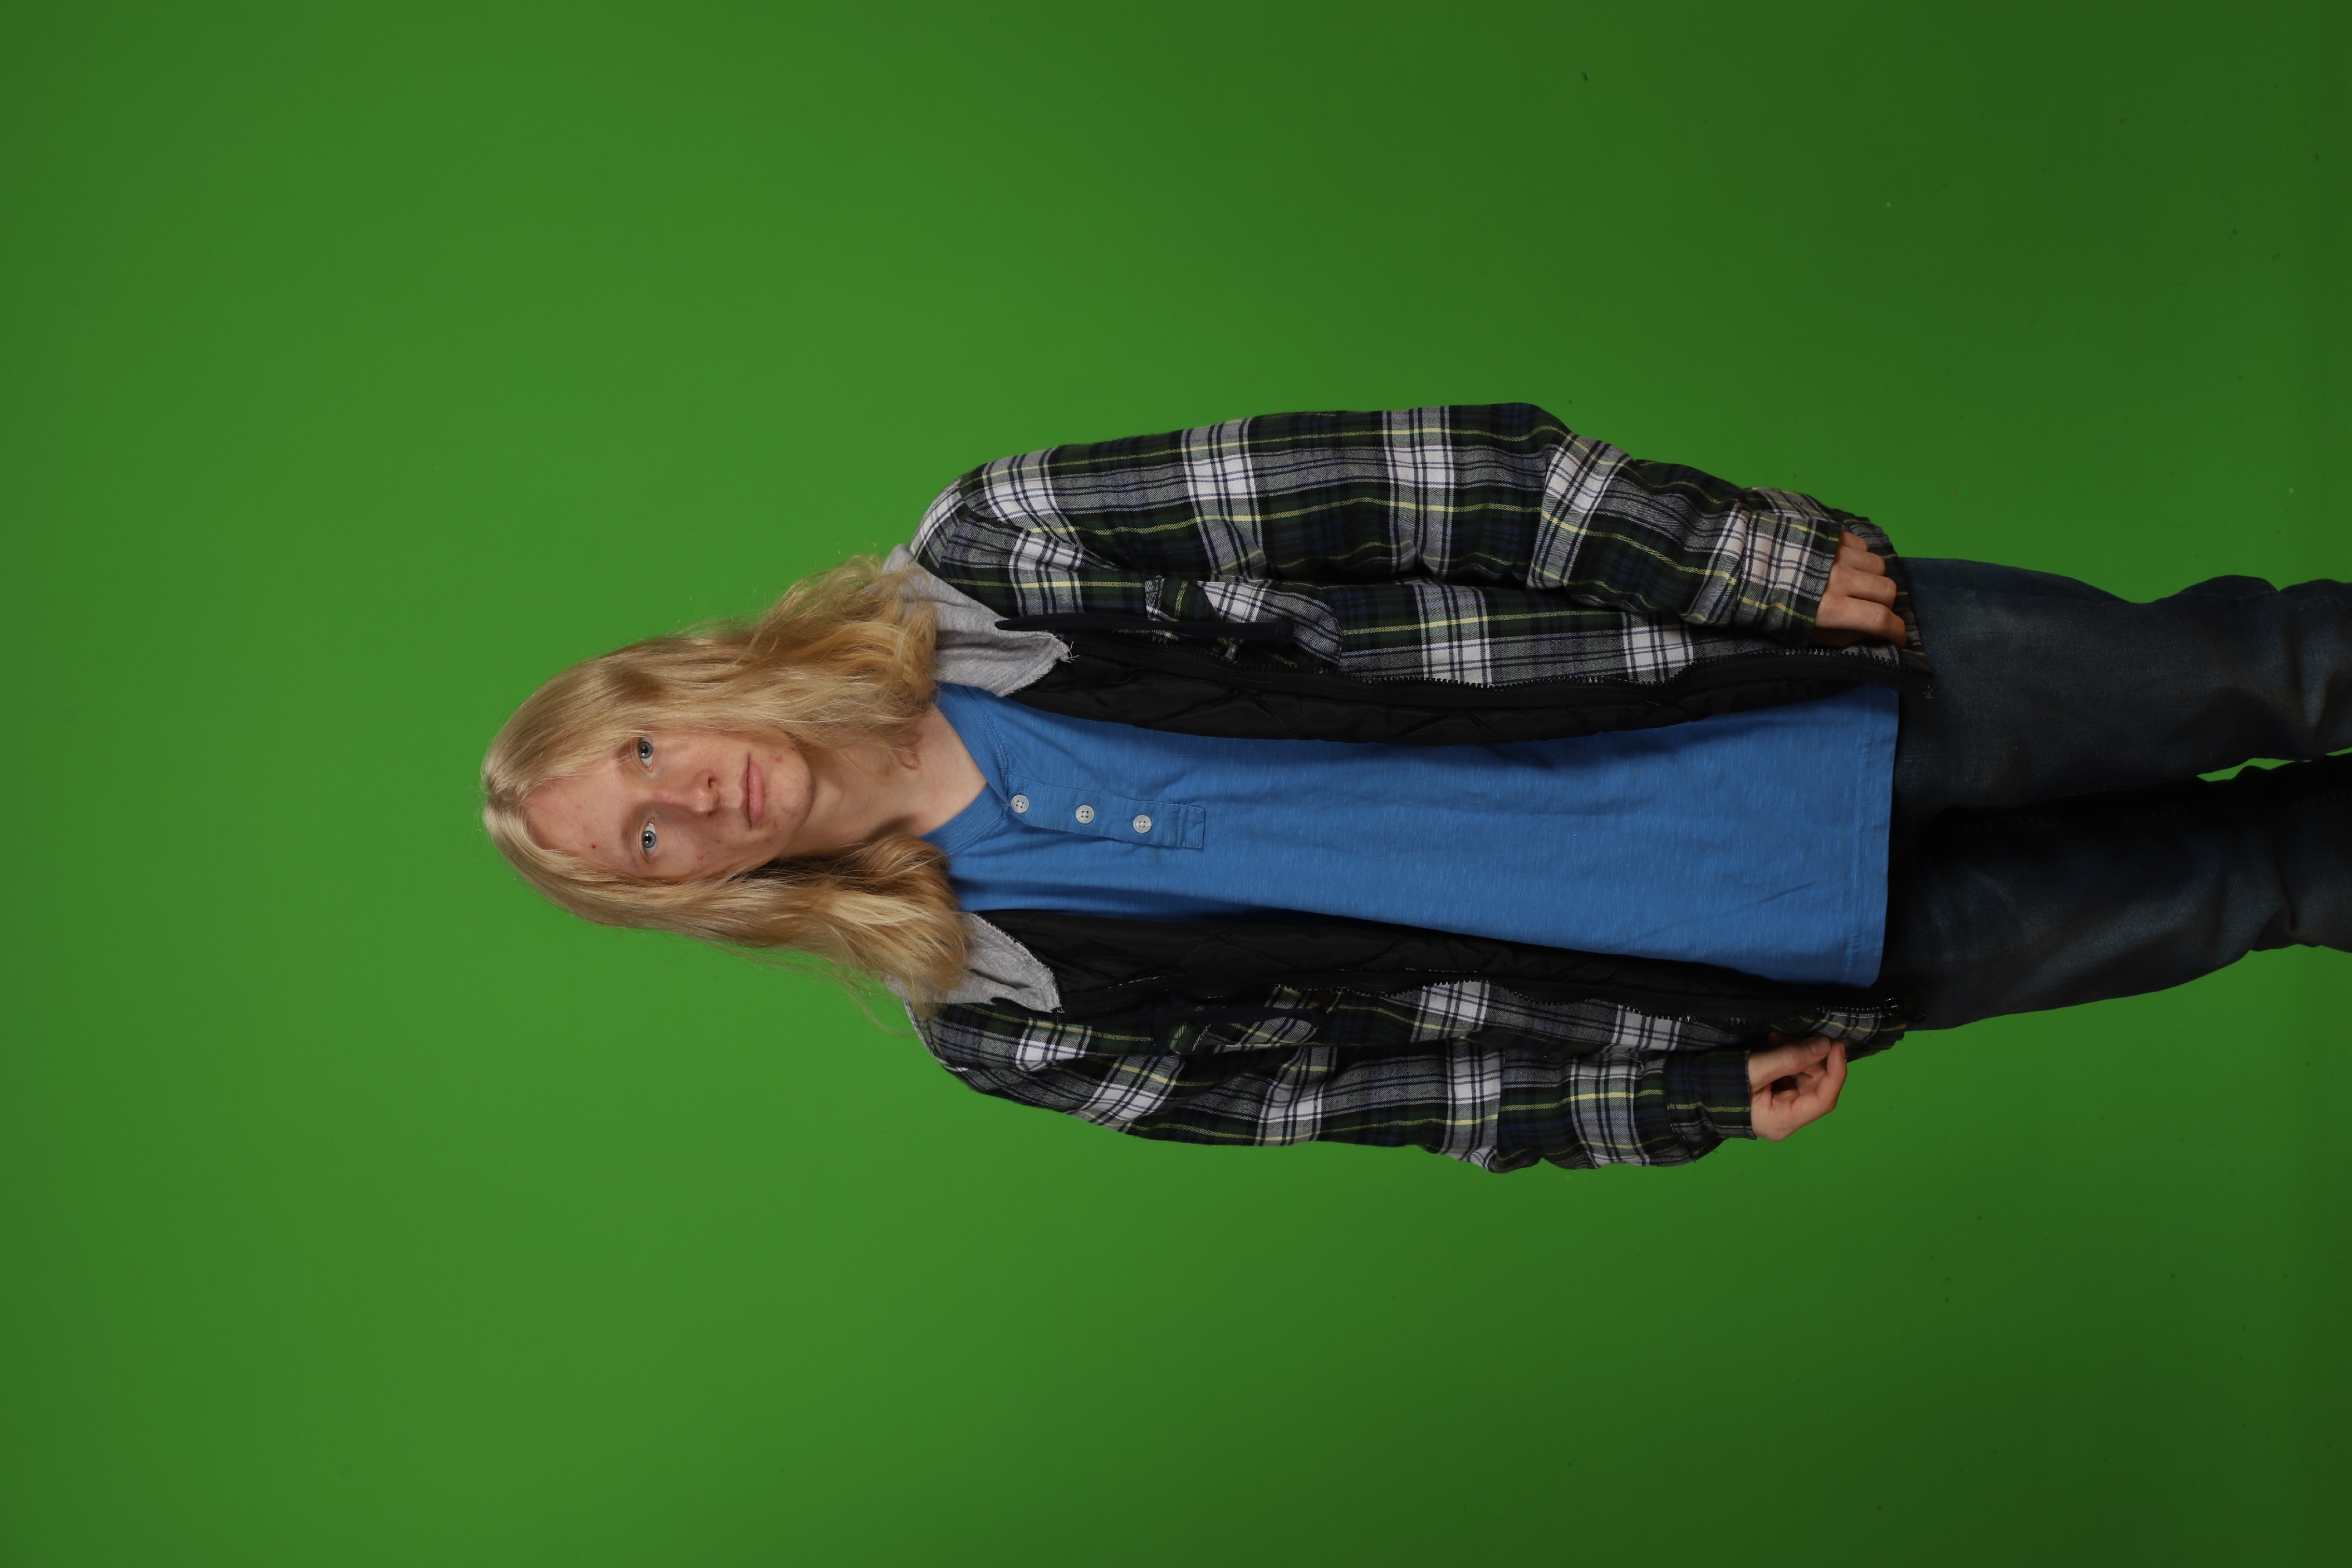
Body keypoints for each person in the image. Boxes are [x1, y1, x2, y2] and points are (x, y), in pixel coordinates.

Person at [482, 404, 2352, 1174]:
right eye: (643, 840)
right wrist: (1663, 1099)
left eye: (641, 752)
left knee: (2276, 668)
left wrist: (1733, 553)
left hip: (1807, 693)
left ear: (674, 684)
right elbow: (1358, 1089)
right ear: (682, 894)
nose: (688, 800)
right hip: (1778, 949)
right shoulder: (1000, 1020)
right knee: (2268, 886)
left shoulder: (1001, 547)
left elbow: (1424, 478)